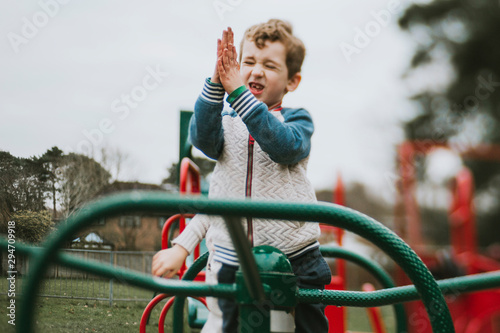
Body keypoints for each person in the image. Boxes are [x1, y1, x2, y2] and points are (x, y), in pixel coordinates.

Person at [152, 19, 331, 333]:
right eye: (247, 62)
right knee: (224, 326)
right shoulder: (226, 124)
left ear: (293, 81)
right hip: (229, 259)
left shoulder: (297, 122)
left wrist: (238, 93)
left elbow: (282, 147)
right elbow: (204, 143)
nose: (256, 71)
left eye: (270, 65)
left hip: (294, 259)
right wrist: (216, 81)